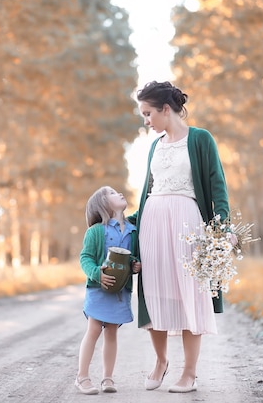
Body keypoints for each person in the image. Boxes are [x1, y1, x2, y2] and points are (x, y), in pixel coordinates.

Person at [133, 81, 231, 393]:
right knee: (154, 291)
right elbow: (147, 192)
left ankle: (189, 373)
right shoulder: (155, 146)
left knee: (190, 293)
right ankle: (161, 361)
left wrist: (223, 228)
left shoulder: (201, 139)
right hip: (153, 225)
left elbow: (217, 183)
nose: (146, 120)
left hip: (188, 226)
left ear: (165, 109)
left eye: (148, 113)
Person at [75, 186, 142, 395]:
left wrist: (134, 264)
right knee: (94, 329)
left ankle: (107, 378)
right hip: (98, 288)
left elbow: (130, 258)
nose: (119, 193)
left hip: (120, 292)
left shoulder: (132, 230)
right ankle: (82, 376)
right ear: (103, 204)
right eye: (112, 193)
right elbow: (85, 257)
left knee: (112, 332)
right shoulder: (96, 231)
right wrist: (96, 273)